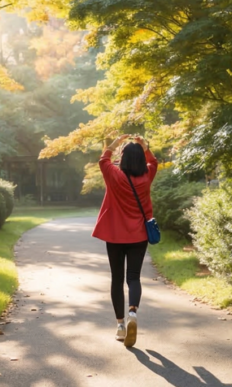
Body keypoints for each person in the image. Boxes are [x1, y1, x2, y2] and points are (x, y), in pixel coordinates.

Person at [93, 133, 158, 348]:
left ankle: (120, 326)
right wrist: (144, 147)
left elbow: (103, 159)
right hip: (139, 235)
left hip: (114, 235)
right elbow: (153, 162)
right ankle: (133, 312)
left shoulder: (113, 175)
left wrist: (114, 143)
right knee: (133, 277)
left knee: (117, 278)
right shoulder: (147, 176)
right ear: (140, 159)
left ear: (123, 158)